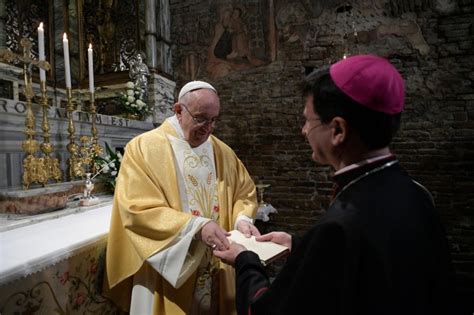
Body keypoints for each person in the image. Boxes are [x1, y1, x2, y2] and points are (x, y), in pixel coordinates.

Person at [214, 55, 454, 315]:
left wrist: (245, 260)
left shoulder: (340, 225)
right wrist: (301, 246)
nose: (303, 131)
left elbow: (266, 309)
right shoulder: (415, 191)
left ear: (338, 130)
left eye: (308, 120)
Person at [105, 80, 260, 315]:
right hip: (167, 271)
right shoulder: (144, 148)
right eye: (201, 118)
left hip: (217, 265)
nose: (208, 128)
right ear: (179, 110)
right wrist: (196, 227)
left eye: (214, 120)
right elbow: (136, 209)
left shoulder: (222, 152)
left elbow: (244, 192)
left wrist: (242, 220)